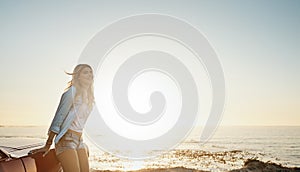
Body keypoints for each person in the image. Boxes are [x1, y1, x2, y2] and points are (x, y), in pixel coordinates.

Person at [29, 64, 94, 172]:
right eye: (85, 72)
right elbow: (59, 118)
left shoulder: (89, 96)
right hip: (66, 140)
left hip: (79, 139)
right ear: (77, 76)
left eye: (91, 72)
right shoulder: (72, 92)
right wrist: (48, 144)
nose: (90, 75)